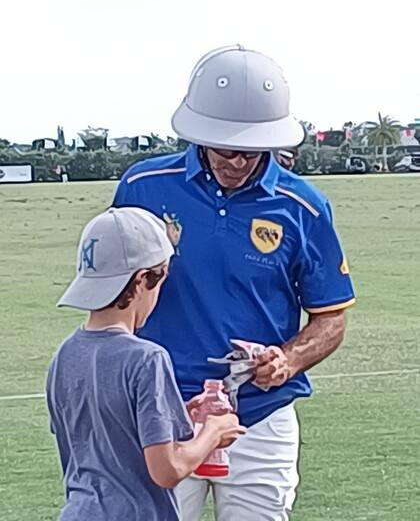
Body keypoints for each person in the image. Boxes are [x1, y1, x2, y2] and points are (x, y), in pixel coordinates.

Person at [113, 45, 356, 520]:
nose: (239, 162)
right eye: (228, 149)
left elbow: (331, 317)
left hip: (261, 417)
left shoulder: (304, 207)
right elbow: (113, 293)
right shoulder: (142, 187)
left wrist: (287, 359)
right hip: (159, 410)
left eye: (253, 151)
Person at [46, 206, 245, 521]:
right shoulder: (146, 358)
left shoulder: (65, 355)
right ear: (142, 279)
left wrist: (177, 413)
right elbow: (168, 469)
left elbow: (102, 436)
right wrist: (214, 432)